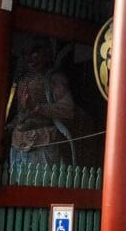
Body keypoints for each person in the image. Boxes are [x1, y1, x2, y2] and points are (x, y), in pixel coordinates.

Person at [7, 37, 76, 166]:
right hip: (18, 142)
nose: (30, 59)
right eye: (25, 55)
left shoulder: (54, 79)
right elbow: (24, 113)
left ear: (46, 53)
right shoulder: (23, 81)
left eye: (34, 52)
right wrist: (12, 124)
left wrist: (37, 107)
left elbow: (68, 110)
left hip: (43, 141)